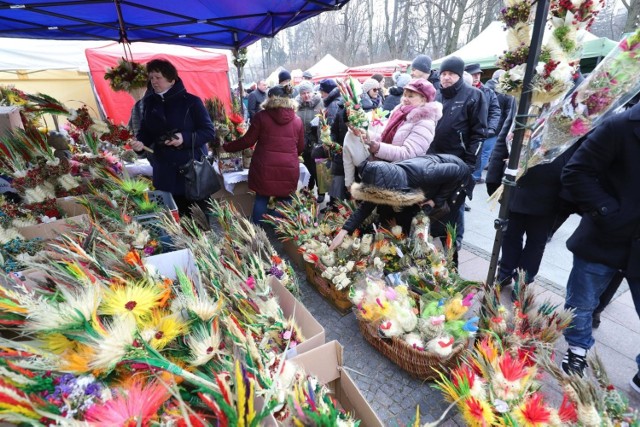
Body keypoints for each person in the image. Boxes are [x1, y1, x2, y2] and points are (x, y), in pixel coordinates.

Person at [559, 103, 640, 380]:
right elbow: (576, 172)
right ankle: (577, 348)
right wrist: (608, 212)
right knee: (582, 301)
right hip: (605, 234)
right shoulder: (619, 126)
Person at [485, 106, 581, 290]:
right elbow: (503, 141)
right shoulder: (526, 100)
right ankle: (505, 271)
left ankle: (523, 280)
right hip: (516, 184)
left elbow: (576, 150)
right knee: (509, 234)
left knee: (536, 241)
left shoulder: (573, 105)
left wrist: (567, 194)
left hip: (549, 190)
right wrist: (493, 177)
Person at [329, 155, 470, 251]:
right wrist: (343, 232)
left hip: (458, 181)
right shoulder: (384, 180)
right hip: (434, 183)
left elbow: (456, 171)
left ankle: (449, 255)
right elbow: (364, 208)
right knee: (416, 221)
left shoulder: (426, 173)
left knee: (443, 224)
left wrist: (435, 201)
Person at [131, 59, 215, 217]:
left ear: (171, 79)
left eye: (158, 77)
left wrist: (184, 138)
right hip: (165, 171)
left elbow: (209, 132)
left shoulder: (192, 102)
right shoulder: (149, 103)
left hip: (191, 171)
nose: (154, 81)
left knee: (198, 220)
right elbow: (145, 131)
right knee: (172, 219)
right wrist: (140, 142)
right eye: (151, 78)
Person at [428, 56, 487, 248]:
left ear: (460, 75)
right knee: (437, 201)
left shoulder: (473, 96)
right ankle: (435, 236)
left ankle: (455, 241)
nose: (446, 78)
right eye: (443, 73)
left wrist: (470, 164)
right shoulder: (437, 95)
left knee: (455, 204)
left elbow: (479, 133)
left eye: (451, 74)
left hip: (459, 161)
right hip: (434, 158)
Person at [222, 85, 304, 224]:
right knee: (286, 200)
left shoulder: (261, 117)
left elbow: (248, 141)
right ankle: (290, 234)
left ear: (270, 99)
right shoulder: (297, 120)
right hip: (288, 167)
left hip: (265, 167)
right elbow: (300, 147)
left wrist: (227, 147)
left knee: (261, 198)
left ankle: (257, 233)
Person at [364, 78, 442, 162]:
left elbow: (409, 154)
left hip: (400, 171)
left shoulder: (425, 122)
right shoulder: (400, 112)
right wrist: (368, 136)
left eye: (410, 96)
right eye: (404, 95)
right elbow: (385, 137)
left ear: (424, 99)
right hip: (387, 165)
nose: (405, 99)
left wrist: (378, 148)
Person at [464, 63, 501, 184]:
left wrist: (490, 128)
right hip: (463, 133)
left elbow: (495, 111)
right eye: (473, 74)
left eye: (478, 74)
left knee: (479, 158)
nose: (476, 77)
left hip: (482, 133)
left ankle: (473, 179)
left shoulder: (488, 91)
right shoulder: (461, 91)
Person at [296, 81, 322, 192]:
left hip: (316, 140)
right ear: (300, 95)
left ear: (312, 92)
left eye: (308, 92)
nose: (306, 95)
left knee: (318, 168)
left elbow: (323, 124)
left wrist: (321, 142)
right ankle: (309, 188)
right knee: (307, 166)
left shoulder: (320, 103)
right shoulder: (296, 106)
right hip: (303, 141)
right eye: (303, 93)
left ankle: (321, 191)